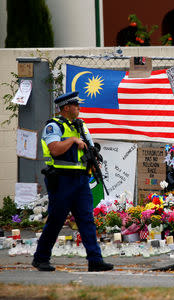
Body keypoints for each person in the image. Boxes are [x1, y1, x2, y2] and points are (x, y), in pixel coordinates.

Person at [32, 91, 113, 272]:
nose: (79, 108)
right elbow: (54, 149)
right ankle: (41, 258)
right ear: (66, 108)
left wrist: (93, 160)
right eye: (76, 105)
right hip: (61, 180)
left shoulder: (81, 126)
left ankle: (95, 260)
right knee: (56, 220)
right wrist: (72, 140)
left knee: (86, 219)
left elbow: (90, 148)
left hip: (81, 181)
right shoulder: (54, 127)